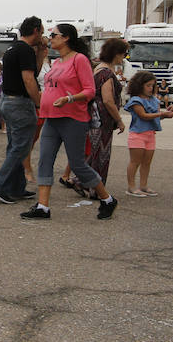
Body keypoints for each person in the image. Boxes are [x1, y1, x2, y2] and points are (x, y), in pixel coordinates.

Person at [20, 23, 118, 220]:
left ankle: (107, 199)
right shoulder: (57, 63)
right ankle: (43, 206)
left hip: (73, 118)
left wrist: (69, 98)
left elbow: (90, 91)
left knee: (78, 165)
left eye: (54, 34)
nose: (51, 37)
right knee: (44, 161)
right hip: (51, 118)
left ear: (66, 38)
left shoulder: (79, 60)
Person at [0, 16, 44, 205]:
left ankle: (16, 188)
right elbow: (29, 80)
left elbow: (32, 72)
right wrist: (38, 103)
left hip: (7, 101)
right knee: (20, 147)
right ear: (35, 31)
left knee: (16, 146)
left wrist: (41, 54)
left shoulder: (13, 49)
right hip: (20, 103)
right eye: (41, 32)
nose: (42, 36)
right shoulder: (25, 50)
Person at [84, 38, 128, 189]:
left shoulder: (97, 69)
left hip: (94, 117)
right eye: (123, 54)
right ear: (116, 54)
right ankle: (93, 186)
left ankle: (85, 183)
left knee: (94, 153)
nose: (124, 57)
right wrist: (119, 120)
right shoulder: (107, 73)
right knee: (101, 155)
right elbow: (108, 100)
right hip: (103, 119)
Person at [124, 70, 173, 197]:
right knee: (135, 162)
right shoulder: (136, 100)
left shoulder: (154, 100)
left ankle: (144, 185)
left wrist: (165, 116)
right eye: (148, 85)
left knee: (147, 162)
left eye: (152, 85)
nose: (151, 88)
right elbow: (143, 116)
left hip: (150, 135)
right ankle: (131, 187)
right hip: (137, 135)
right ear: (140, 85)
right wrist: (162, 114)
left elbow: (155, 117)